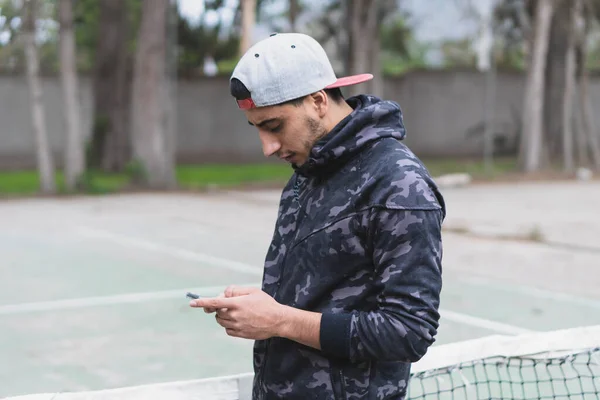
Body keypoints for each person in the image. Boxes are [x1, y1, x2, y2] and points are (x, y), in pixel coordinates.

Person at [190, 32, 446, 400]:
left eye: (274, 126)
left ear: (318, 101)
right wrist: (266, 305)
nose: (267, 147)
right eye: (257, 129)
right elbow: (327, 293)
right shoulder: (308, 171)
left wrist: (279, 319)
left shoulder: (398, 184)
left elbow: (407, 331)